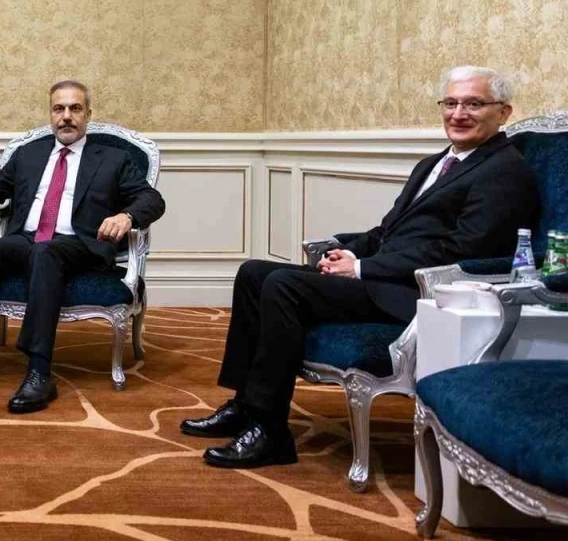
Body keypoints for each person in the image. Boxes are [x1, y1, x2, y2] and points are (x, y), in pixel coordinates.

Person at [184, 65, 540, 468]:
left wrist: (364, 268)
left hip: (417, 293)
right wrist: (348, 251)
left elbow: (463, 250)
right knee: (253, 273)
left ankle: (270, 432)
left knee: (283, 284)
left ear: (503, 112)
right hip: (383, 277)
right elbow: (389, 230)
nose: (458, 114)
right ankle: (245, 405)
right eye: (451, 103)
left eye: (474, 104)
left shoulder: (504, 171)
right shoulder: (436, 162)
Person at [0, 80, 166, 413]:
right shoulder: (29, 154)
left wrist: (126, 215)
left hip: (81, 245)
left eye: (75, 109)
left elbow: (152, 199)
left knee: (45, 252)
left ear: (88, 114)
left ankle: (39, 371)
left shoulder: (114, 158)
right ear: (51, 114)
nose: (66, 116)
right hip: (28, 239)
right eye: (59, 109)